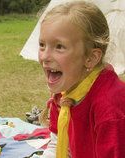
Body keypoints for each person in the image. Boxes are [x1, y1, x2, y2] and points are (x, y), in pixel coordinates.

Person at [37, 1, 125, 158]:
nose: (44, 56)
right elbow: (59, 145)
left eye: (59, 47)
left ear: (91, 58)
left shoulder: (110, 107)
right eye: (42, 45)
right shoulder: (65, 92)